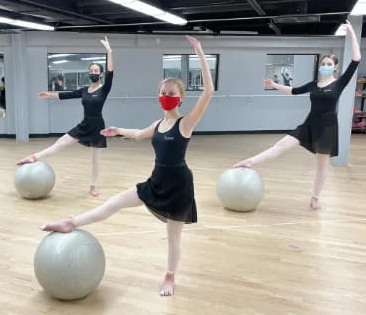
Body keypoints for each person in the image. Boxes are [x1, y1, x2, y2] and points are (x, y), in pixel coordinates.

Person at [40, 36, 214, 296]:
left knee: (173, 236)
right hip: (155, 182)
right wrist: (116, 130)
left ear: (180, 99)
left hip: (178, 186)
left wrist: (199, 51)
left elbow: (208, 92)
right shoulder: (158, 125)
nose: (166, 96)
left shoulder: (185, 123)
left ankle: (170, 277)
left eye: (171, 94)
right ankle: (70, 223)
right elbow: (137, 133)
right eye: (163, 93)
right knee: (113, 203)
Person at [234, 22, 361, 210]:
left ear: (335, 68)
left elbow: (356, 59)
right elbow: (293, 90)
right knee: (280, 145)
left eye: (329, 64)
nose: (325, 66)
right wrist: (274, 85)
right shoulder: (313, 84)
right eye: (323, 64)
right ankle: (249, 162)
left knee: (322, 167)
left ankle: (315, 197)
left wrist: (351, 33)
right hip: (309, 124)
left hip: (327, 128)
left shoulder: (339, 83)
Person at [18, 37, 114, 197]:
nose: (93, 73)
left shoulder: (104, 89)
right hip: (84, 124)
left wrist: (109, 52)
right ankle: (34, 157)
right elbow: (67, 95)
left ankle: (92, 186)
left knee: (95, 159)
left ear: (101, 74)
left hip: (98, 127)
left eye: (96, 71)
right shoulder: (84, 90)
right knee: (61, 143)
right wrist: (49, 94)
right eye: (91, 71)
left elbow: (111, 72)